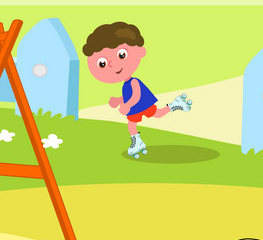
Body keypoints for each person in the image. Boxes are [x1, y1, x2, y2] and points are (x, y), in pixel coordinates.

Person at [82, 22, 193, 158]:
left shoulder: (133, 81)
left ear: (140, 52)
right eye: (103, 63)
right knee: (136, 122)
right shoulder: (126, 84)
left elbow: (135, 96)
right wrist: (118, 100)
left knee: (154, 115)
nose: (112, 65)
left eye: (121, 55)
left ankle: (173, 106)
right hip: (136, 107)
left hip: (141, 104)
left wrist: (127, 105)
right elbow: (128, 96)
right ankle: (140, 139)